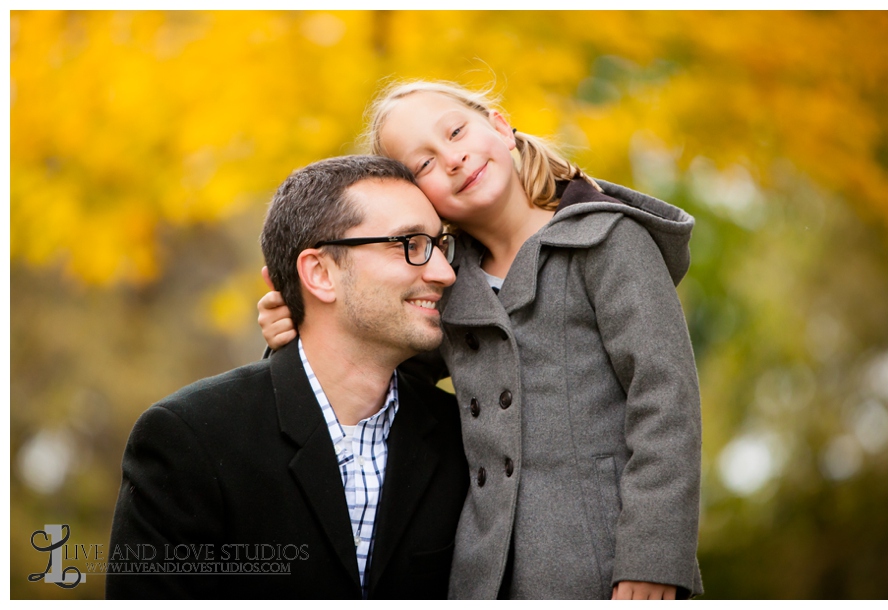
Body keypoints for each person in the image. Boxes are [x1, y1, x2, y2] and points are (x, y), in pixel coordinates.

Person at [258, 80, 704, 600]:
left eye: (455, 131)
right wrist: (301, 326)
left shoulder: (606, 241)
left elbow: (667, 403)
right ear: (420, 198)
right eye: (423, 165)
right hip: (482, 573)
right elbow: (371, 373)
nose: (451, 158)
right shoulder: (442, 286)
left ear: (498, 125)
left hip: (609, 563)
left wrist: (652, 556)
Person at [107, 155, 469, 599]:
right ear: (320, 273)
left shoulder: (462, 438)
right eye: (411, 243)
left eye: (440, 244)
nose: (445, 272)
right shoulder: (191, 438)